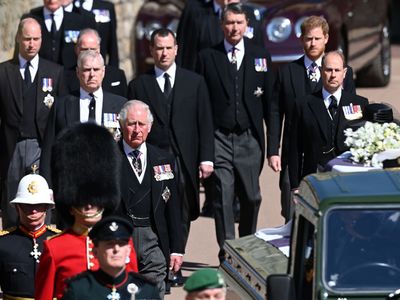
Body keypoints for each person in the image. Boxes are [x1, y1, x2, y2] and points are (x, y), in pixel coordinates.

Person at [128, 27, 214, 285]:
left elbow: (204, 122)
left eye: (168, 48)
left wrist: (206, 158)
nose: (164, 53)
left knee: (183, 211)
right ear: (151, 51)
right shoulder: (139, 84)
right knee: (157, 209)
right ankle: (159, 262)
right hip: (153, 160)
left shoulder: (195, 82)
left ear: (176, 49)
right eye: (159, 48)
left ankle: (175, 260)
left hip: (185, 162)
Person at [196, 3, 273, 263]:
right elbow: (200, 104)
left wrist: (272, 147)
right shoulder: (207, 57)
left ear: (247, 25)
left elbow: (270, 104)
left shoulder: (260, 55)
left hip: (249, 138)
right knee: (223, 199)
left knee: (252, 197)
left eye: (239, 22)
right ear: (221, 25)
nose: (234, 28)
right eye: (229, 22)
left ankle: (247, 245)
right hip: (218, 137)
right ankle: (228, 254)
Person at [267, 15, 356, 222]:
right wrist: (273, 150)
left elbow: (350, 111)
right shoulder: (287, 72)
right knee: (293, 211)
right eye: (308, 38)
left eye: (317, 38)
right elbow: (275, 111)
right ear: (301, 40)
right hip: (295, 153)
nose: (312, 43)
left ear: (326, 38)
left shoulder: (343, 73)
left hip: (332, 155)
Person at [35, 123, 138, 300]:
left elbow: (133, 292)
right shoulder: (55, 249)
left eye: (96, 199)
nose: (89, 205)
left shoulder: (122, 244)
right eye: (83, 200)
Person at [0, 17, 66, 228]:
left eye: (36, 39)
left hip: (42, 147)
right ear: (18, 37)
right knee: (13, 199)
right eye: (27, 38)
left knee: (40, 199)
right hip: (11, 148)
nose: (31, 44)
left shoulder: (55, 72)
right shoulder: (3, 72)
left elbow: (60, 117)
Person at [116, 100, 184, 297]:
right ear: (122, 125)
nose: (137, 130)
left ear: (150, 127)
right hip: (120, 239)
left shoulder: (163, 159)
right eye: (131, 124)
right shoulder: (109, 157)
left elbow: (173, 207)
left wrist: (177, 249)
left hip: (153, 237)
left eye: (142, 124)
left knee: (154, 290)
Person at [39, 49, 126, 184]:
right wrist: (47, 186)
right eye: (86, 70)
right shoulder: (61, 105)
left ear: (103, 72)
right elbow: (48, 149)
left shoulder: (120, 105)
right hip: (71, 181)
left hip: (109, 181)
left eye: (96, 69)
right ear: (78, 72)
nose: (92, 74)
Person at [289, 50, 369, 190]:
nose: (333, 75)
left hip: (350, 180)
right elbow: (295, 148)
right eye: (328, 70)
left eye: (337, 70)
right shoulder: (303, 104)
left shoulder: (360, 104)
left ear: (344, 73)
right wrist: (295, 186)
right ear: (321, 71)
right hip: (315, 180)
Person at [62, 215, 160, 300]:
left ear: (128, 250)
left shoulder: (147, 290)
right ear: (95, 252)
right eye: (109, 244)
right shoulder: (78, 290)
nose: (116, 249)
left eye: (121, 244)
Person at [0, 172, 60, 299]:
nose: (33, 211)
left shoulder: (59, 242)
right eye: (27, 205)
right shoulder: (3, 243)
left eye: (38, 205)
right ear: (17, 207)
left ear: (46, 207)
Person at [177, 0, 264, 71]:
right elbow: (184, 53)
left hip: (243, 85)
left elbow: (259, 54)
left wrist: (261, 81)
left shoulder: (250, 13)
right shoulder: (196, 12)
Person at [28, 0, 96, 69]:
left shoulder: (77, 20)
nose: (52, 0)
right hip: (41, 74)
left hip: (70, 74)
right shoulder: (31, 18)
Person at [64, 28, 127, 97]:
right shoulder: (65, 78)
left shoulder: (117, 75)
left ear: (99, 49)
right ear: (76, 49)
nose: (89, 52)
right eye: (84, 49)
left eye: (93, 49)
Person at [72, 0, 119, 67]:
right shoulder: (71, 7)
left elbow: (112, 43)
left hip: (99, 66)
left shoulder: (106, 7)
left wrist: (114, 70)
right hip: (74, 68)